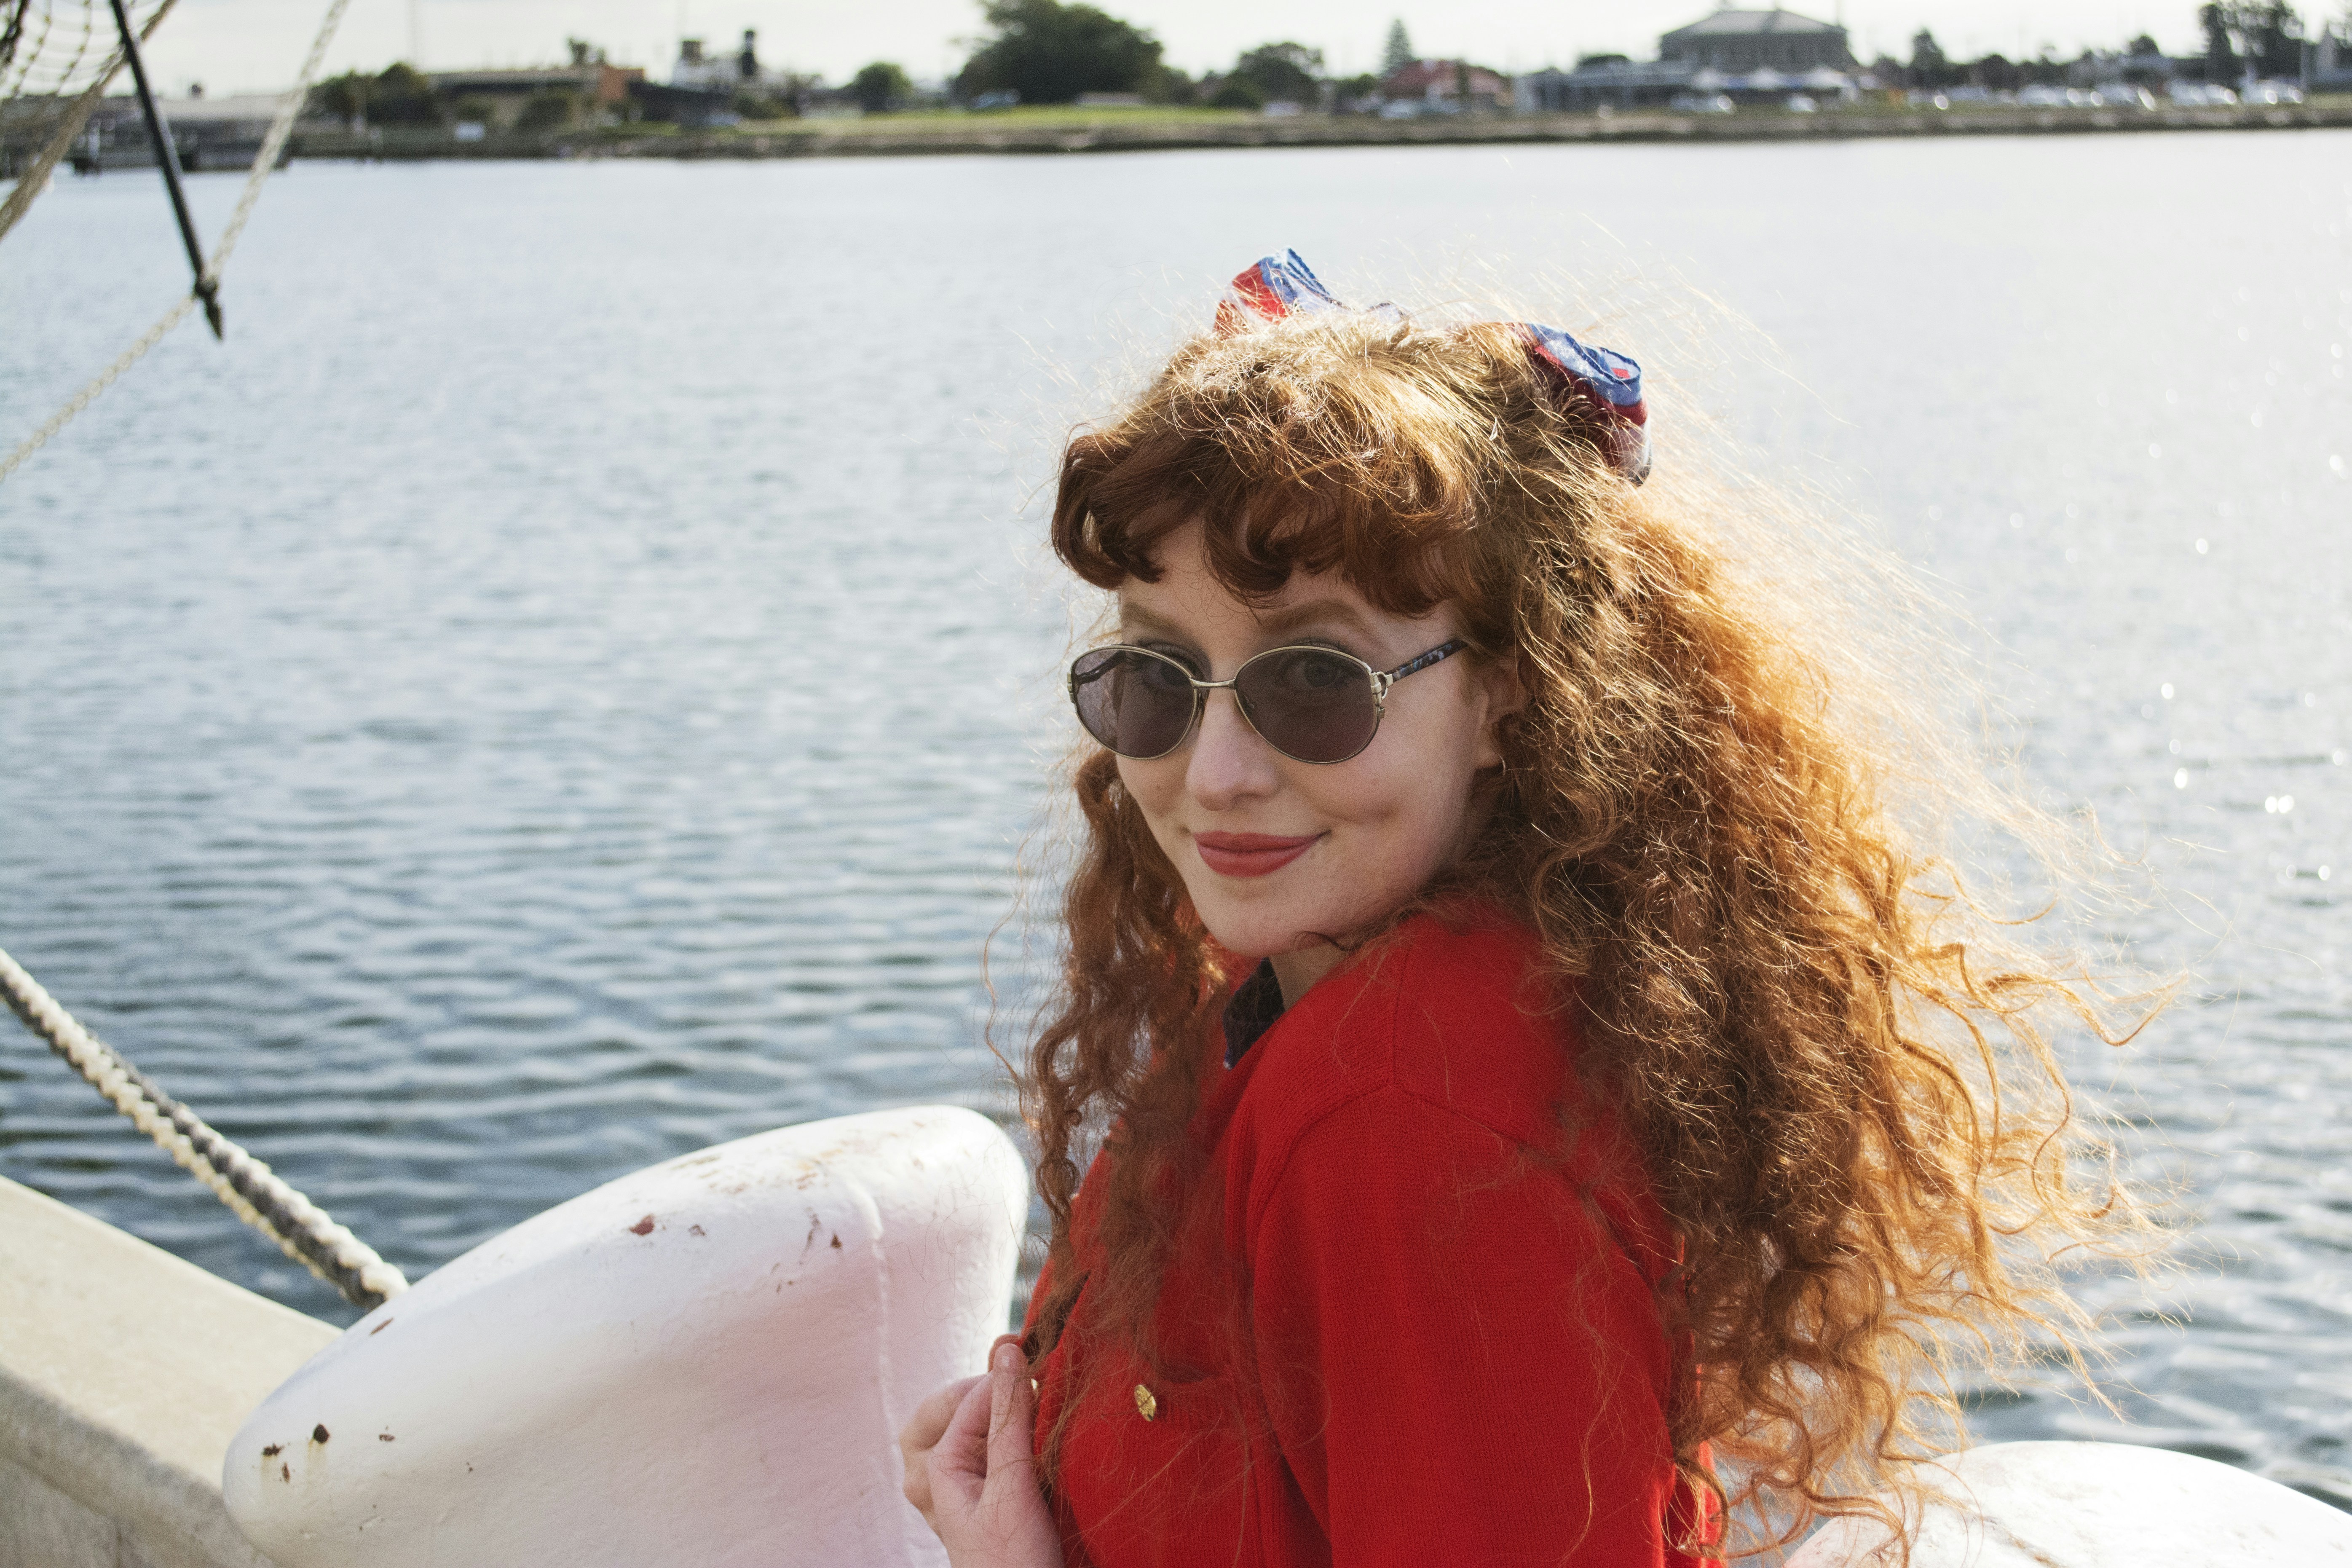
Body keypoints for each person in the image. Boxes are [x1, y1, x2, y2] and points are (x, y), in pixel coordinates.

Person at [899, 253, 2138, 1567]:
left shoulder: (1397, 1111)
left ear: (1508, 693)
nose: (1213, 775)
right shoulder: (1361, 971)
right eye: (1155, 674)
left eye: (1315, 683)